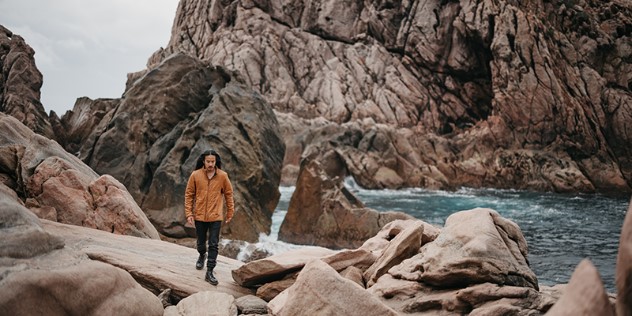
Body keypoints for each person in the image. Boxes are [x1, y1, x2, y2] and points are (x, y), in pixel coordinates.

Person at [184, 149, 235, 285]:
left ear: (216, 161)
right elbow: (189, 195)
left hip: (216, 216)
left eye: (213, 161)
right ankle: (202, 255)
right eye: (208, 161)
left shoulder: (223, 176)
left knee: (213, 244)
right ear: (203, 161)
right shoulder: (195, 175)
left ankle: (210, 271)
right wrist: (189, 213)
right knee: (201, 242)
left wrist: (230, 212)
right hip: (199, 216)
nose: (211, 164)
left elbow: (229, 194)